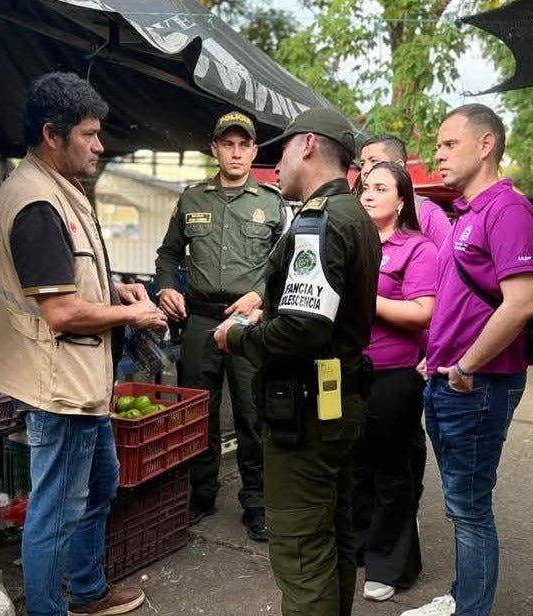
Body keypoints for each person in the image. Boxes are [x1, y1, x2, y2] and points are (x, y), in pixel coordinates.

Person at [0, 72, 167, 616]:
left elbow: (67, 280)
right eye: (89, 134)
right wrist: (134, 312)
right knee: (56, 509)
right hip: (59, 386)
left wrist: (115, 288)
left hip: (83, 382)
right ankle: (47, 608)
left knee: (100, 484)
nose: (99, 144)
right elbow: (61, 312)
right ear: (51, 134)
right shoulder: (36, 202)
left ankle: (87, 590)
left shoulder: (60, 189)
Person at [213, 108, 381, 616]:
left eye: (280, 152)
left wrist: (239, 337)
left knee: (303, 549)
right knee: (332, 534)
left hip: (307, 413)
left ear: (307, 145)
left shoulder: (320, 220)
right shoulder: (355, 216)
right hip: (335, 399)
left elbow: (303, 329)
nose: (273, 166)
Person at [403, 103, 533, 616]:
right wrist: (436, 358)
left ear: (486, 145)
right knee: (461, 505)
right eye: (437, 145)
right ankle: (463, 597)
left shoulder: (507, 210)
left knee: (470, 507)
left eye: (448, 144)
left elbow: (520, 303)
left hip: (477, 385)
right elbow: (462, 299)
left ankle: (470, 609)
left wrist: (465, 367)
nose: (437, 155)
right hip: (447, 379)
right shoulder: (469, 211)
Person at [154, 111, 286, 541]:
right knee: (198, 414)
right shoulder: (192, 199)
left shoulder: (270, 203)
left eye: (243, 145)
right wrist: (165, 288)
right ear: (214, 149)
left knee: (251, 416)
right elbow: (168, 254)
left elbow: (284, 268)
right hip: (199, 319)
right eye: (227, 144)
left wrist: (264, 298)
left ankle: (258, 505)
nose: (235, 152)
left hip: (248, 322)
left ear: (253, 151)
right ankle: (200, 496)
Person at [353, 133, 446, 529]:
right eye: (364, 182)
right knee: (355, 464)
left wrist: (438, 351)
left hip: (398, 366)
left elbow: (437, 297)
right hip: (347, 368)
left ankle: (393, 554)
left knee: (395, 461)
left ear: (402, 194)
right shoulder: (348, 240)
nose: (368, 186)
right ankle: (358, 544)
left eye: (379, 181)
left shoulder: (422, 239)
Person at [356, 134, 452, 248]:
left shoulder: (427, 213)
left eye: (374, 161)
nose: (365, 170)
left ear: (398, 165)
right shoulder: (358, 210)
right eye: (362, 164)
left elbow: (449, 261)